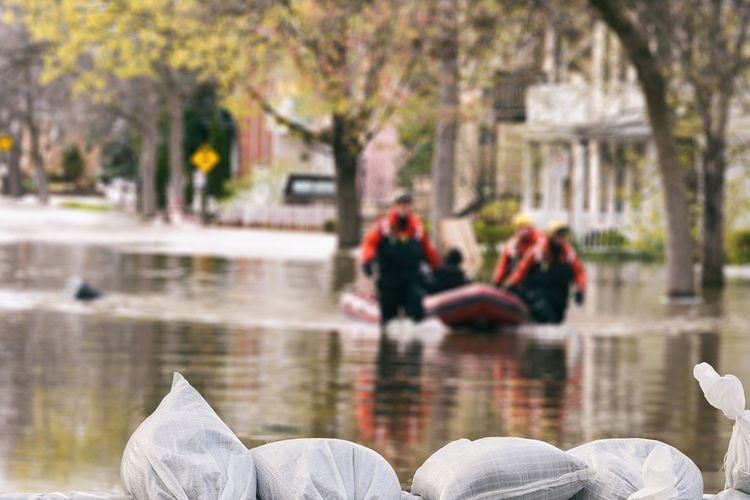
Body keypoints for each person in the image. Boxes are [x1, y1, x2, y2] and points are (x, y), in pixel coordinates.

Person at [361, 190, 441, 325]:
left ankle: (415, 341)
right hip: (390, 279)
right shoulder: (384, 226)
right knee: (388, 319)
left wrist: (437, 268)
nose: (404, 207)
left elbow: (428, 249)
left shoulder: (417, 227)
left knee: (417, 310)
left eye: (407, 203)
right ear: (395, 206)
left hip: (412, 278)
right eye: (401, 203)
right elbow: (369, 243)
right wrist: (367, 261)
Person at [505, 220, 586, 324]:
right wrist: (512, 284)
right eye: (559, 235)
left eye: (563, 235)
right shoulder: (537, 251)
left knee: (557, 322)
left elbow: (580, 272)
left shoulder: (569, 253)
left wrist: (580, 290)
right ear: (551, 236)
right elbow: (521, 269)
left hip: (561, 295)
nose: (562, 238)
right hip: (540, 293)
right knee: (546, 319)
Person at [492, 213, 542, 287]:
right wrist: (497, 281)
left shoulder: (539, 241)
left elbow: (526, 262)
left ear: (530, 228)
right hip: (518, 282)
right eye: (518, 227)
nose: (520, 230)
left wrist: (512, 282)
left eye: (523, 227)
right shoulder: (513, 242)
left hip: (534, 283)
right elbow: (503, 263)